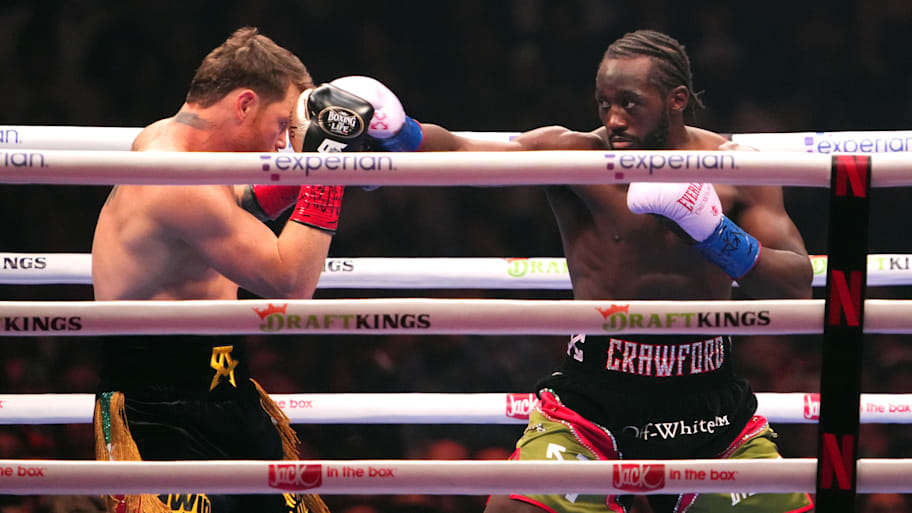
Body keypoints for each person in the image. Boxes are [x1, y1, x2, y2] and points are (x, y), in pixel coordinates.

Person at [399, 29, 814, 513]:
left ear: (676, 99)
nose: (614, 119)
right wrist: (397, 132)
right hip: (596, 396)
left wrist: (714, 234)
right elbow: (462, 154)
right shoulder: (576, 156)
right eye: (603, 103)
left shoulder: (733, 170)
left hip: (709, 403)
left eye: (630, 104)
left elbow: (796, 286)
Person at [91, 28, 414, 513]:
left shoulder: (175, 142)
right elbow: (290, 282)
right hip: (159, 410)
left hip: (228, 392)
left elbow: (234, 211)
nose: (283, 141)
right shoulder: (171, 174)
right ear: (244, 104)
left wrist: (310, 170)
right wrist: (327, 174)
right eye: (282, 123)